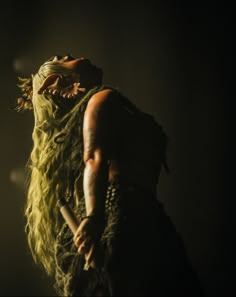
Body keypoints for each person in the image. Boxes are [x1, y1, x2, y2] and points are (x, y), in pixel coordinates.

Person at [16, 55, 203, 296]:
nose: (70, 55)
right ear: (56, 80)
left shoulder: (98, 105)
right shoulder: (101, 99)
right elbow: (94, 158)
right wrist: (94, 217)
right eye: (63, 58)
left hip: (134, 212)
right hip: (125, 214)